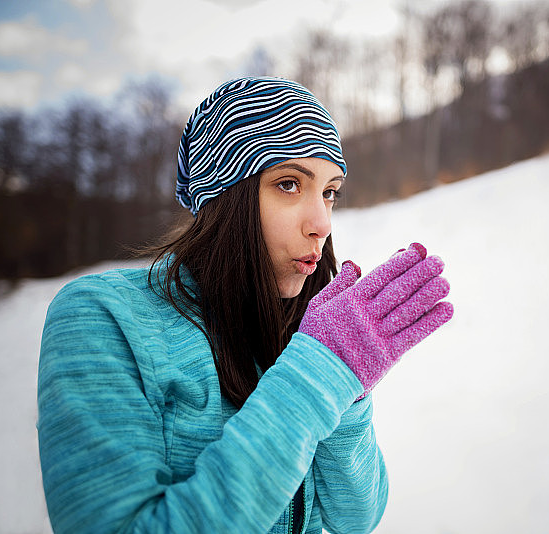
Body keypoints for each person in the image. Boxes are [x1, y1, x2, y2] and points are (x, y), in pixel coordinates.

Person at [37, 77, 453, 533]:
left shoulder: (310, 328)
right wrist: (315, 378)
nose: (322, 223)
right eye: (290, 184)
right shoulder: (103, 318)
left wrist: (346, 384)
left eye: (330, 192)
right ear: (222, 195)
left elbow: (355, 517)